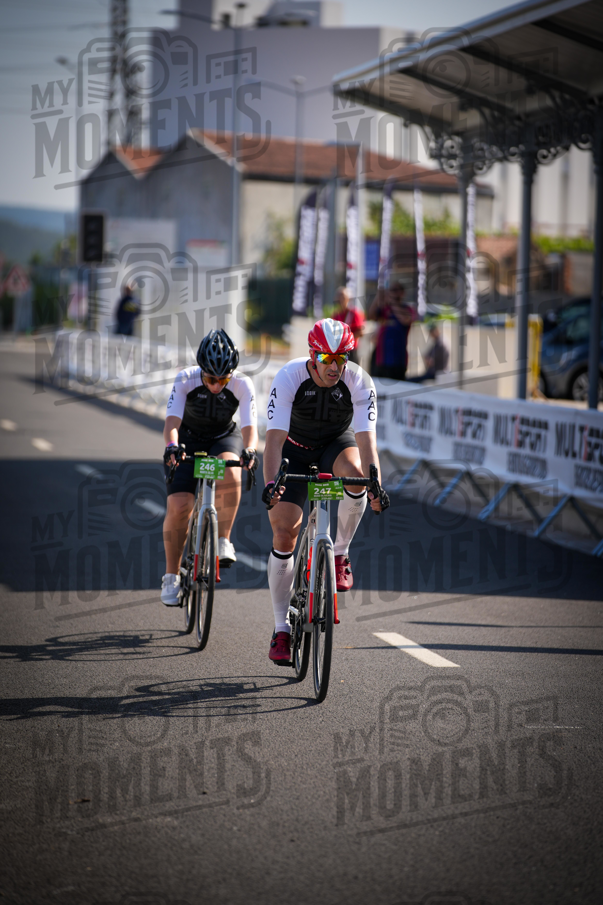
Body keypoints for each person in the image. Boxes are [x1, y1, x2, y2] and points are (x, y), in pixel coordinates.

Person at [262, 317, 390, 665]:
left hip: (335, 445)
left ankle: (340, 552)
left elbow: (367, 441)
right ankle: (281, 628)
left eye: (341, 358)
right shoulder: (289, 377)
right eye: (326, 359)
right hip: (294, 449)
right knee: (285, 533)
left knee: (357, 476)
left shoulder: (358, 380)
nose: (334, 367)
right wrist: (272, 484)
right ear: (312, 355)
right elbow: (272, 441)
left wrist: (375, 482)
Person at [160, 328, 258, 606]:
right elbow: (171, 423)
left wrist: (249, 450)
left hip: (222, 438)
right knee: (179, 506)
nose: (216, 385)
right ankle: (171, 576)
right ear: (201, 369)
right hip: (187, 440)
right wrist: (172, 446)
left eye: (223, 379)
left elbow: (251, 427)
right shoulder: (186, 379)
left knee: (231, 468)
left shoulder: (242, 384)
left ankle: (223, 539)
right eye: (211, 378)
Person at [368, 280, 416, 380]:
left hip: (398, 360)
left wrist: (392, 302)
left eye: (395, 290)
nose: (392, 293)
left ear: (402, 293)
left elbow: (405, 320)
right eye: (391, 290)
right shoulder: (385, 310)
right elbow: (371, 315)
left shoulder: (407, 309)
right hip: (381, 358)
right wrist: (378, 297)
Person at [331, 286, 365, 365]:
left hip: (351, 351)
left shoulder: (354, 313)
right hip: (338, 352)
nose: (340, 299)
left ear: (348, 298)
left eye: (342, 296)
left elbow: (361, 332)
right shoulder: (336, 315)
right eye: (338, 296)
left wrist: (346, 339)